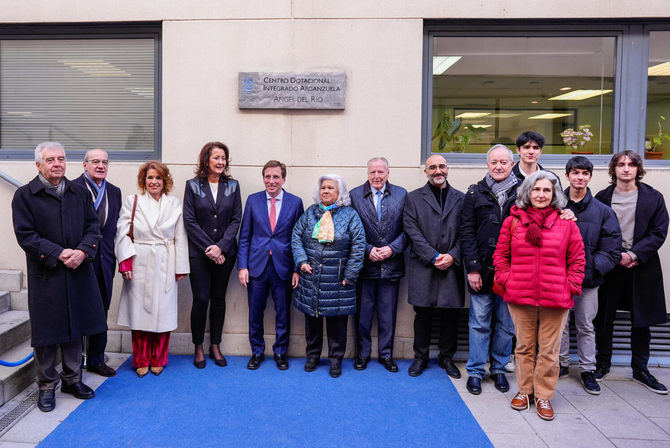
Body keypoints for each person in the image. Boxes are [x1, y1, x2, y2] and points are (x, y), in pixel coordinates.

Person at [12, 142, 107, 412]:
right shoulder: (24, 196)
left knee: (75, 327)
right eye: (50, 159)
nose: (57, 163)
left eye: (61, 159)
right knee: (47, 332)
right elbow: (26, 236)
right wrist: (59, 253)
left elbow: (93, 227)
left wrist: (81, 252)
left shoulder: (79, 192)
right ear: (38, 165)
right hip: (47, 273)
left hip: (78, 270)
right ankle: (46, 385)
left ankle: (72, 379)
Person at [493, 170, 585, 421]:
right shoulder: (513, 221)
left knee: (549, 350)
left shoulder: (566, 223)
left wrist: (570, 285)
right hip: (520, 295)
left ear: (554, 194)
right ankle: (524, 391)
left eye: (547, 190)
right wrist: (506, 280)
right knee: (523, 347)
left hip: (556, 297)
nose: (541, 194)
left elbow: (577, 259)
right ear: (527, 193)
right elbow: (500, 256)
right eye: (536, 189)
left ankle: (543, 394)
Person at [594, 150, 669, 394]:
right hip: (610, 266)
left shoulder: (653, 197)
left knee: (641, 321)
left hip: (642, 266)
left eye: (631, 164)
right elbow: (596, 232)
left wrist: (633, 255)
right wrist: (615, 256)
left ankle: (640, 369)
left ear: (638, 169)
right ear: (613, 169)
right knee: (604, 318)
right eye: (621, 164)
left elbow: (658, 231)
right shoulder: (602, 197)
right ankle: (602, 365)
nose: (626, 169)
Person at [115, 161, 189, 377]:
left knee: (163, 313)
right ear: (143, 181)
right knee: (139, 313)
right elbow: (122, 232)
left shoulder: (174, 204)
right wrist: (125, 261)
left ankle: (159, 357)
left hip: (166, 260)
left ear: (165, 180)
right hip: (140, 259)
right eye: (150, 178)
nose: (154, 181)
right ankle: (141, 358)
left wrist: (180, 266)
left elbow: (180, 236)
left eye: (158, 178)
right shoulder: (133, 201)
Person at [291, 174, 366, 378]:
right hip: (312, 278)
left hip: (338, 280)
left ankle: (335, 361)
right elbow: (296, 237)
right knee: (312, 322)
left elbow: (359, 247)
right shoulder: (310, 213)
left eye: (331, 188)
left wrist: (350, 275)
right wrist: (301, 261)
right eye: (323, 187)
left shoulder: (350, 215)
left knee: (336, 324)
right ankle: (312, 357)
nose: (326, 191)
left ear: (340, 193)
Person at [558, 156, 621, 395]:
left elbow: (612, 250)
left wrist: (588, 268)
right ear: (567, 176)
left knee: (585, 325)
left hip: (588, 280)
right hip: (559, 280)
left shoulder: (603, 212)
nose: (580, 177)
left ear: (590, 177)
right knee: (560, 325)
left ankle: (587, 369)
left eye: (585, 173)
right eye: (575, 173)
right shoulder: (556, 206)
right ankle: (561, 364)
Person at [460, 145, 518, 395]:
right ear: (487, 164)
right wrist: (472, 268)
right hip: (481, 270)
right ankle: (475, 371)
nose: (498, 166)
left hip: (513, 272)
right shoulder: (474, 193)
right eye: (494, 162)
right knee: (479, 323)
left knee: (506, 324)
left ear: (512, 165)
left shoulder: (524, 192)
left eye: (503, 162)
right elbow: (467, 232)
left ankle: (499, 369)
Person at [237, 160, 303, 370]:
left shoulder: (295, 202)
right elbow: (245, 236)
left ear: (283, 179)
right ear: (263, 178)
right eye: (267, 176)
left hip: (283, 266)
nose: (271, 181)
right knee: (255, 312)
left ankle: (281, 352)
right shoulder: (253, 201)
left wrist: (296, 269)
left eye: (276, 177)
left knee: (283, 312)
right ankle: (257, 351)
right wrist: (242, 266)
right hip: (256, 266)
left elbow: (298, 239)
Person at [403, 154, 464, 379]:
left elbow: (466, 232)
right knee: (423, 313)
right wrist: (433, 255)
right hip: (424, 264)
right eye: (432, 167)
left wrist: (453, 255)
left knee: (450, 314)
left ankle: (446, 357)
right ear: (426, 171)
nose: (437, 171)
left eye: (441, 166)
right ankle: (420, 357)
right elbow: (411, 230)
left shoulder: (461, 198)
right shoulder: (413, 198)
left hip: (452, 265)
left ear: (447, 169)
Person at [183, 142, 241, 369]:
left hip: (226, 255)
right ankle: (198, 345)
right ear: (206, 160)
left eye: (223, 158)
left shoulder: (233, 186)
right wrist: (210, 248)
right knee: (201, 299)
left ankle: (215, 344)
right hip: (199, 254)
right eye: (216, 157)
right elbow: (189, 220)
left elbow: (237, 219)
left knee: (218, 299)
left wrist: (222, 247)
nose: (220, 162)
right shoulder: (193, 186)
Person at [349, 157, 407, 373]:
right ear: (367, 173)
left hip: (391, 265)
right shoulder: (355, 195)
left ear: (388, 174)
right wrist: (367, 249)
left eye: (381, 172)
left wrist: (393, 248)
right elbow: (349, 229)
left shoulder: (401, 195)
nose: (376, 176)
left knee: (388, 314)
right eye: (373, 172)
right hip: (364, 266)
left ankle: (386, 355)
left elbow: (408, 228)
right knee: (362, 315)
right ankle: (362, 354)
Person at [72, 149, 122, 377]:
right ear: (85, 165)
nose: (100, 166)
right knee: (78, 309)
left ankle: (96, 359)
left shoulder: (114, 191)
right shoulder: (72, 188)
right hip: (80, 259)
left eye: (104, 162)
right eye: (95, 162)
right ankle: (74, 362)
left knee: (102, 309)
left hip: (105, 261)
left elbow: (114, 230)